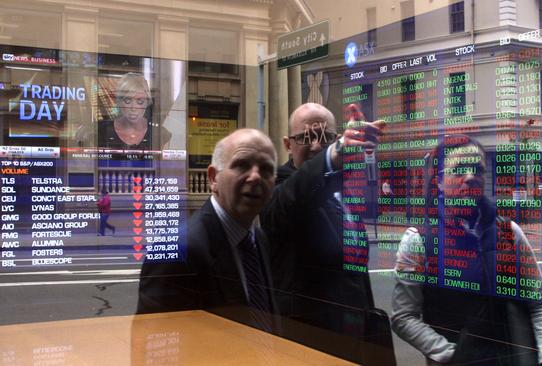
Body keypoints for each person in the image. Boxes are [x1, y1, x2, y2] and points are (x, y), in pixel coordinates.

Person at [391, 134, 542, 366]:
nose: (471, 177)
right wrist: (452, 354)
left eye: (478, 170)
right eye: (459, 170)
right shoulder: (418, 240)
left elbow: (540, 301)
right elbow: (404, 317)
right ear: (439, 182)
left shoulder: (509, 232)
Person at [260, 103, 394, 364]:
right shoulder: (277, 184)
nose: (316, 146)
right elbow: (289, 202)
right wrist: (335, 152)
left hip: (354, 334)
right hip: (308, 342)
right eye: (305, 137)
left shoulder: (341, 185)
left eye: (326, 138)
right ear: (288, 144)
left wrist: (364, 152)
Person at [137, 128, 278, 333]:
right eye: (241, 165)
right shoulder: (175, 252)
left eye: (266, 169)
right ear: (213, 178)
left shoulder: (261, 241)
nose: (255, 177)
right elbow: (155, 350)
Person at [98, 72, 170, 150]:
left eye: (140, 101)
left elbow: (163, 162)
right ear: (119, 101)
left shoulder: (161, 134)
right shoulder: (100, 131)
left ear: (147, 102)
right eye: (127, 100)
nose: (133, 107)